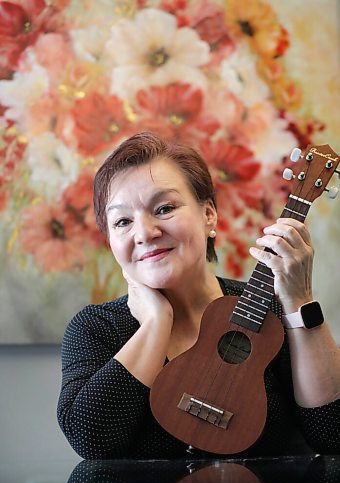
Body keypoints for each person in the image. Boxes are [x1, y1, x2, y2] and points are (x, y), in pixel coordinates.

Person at [57, 131, 340, 459]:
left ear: (209, 215)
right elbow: (91, 440)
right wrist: (156, 322)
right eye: (122, 221)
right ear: (111, 241)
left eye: (164, 208)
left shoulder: (273, 313)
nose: (146, 233)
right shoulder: (96, 327)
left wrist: (300, 299)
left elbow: (332, 433)